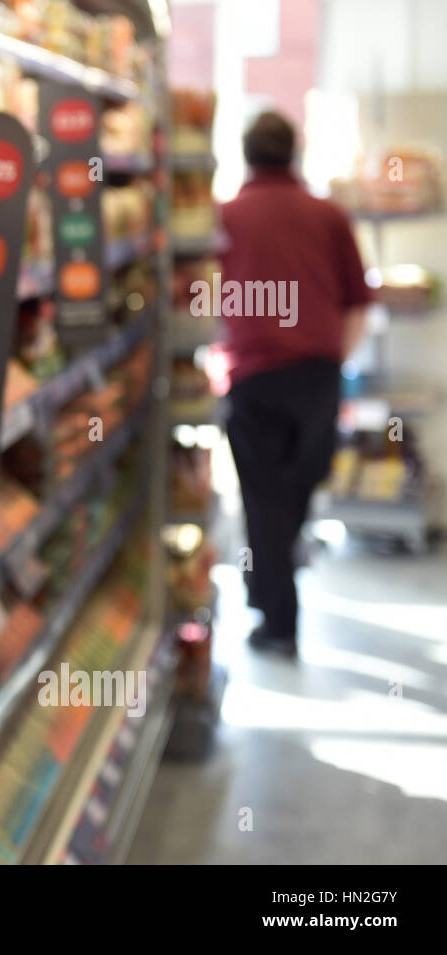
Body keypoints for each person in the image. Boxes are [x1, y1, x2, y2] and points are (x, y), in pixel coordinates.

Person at [218, 111, 371, 657]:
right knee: (298, 488)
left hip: (254, 376)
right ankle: (278, 598)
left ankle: (276, 616)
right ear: (294, 153)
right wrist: (331, 363)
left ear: (246, 154)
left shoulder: (226, 217)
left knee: (263, 501)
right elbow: (358, 302)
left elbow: (201, 296)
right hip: (317, 375)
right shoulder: (328, 215)